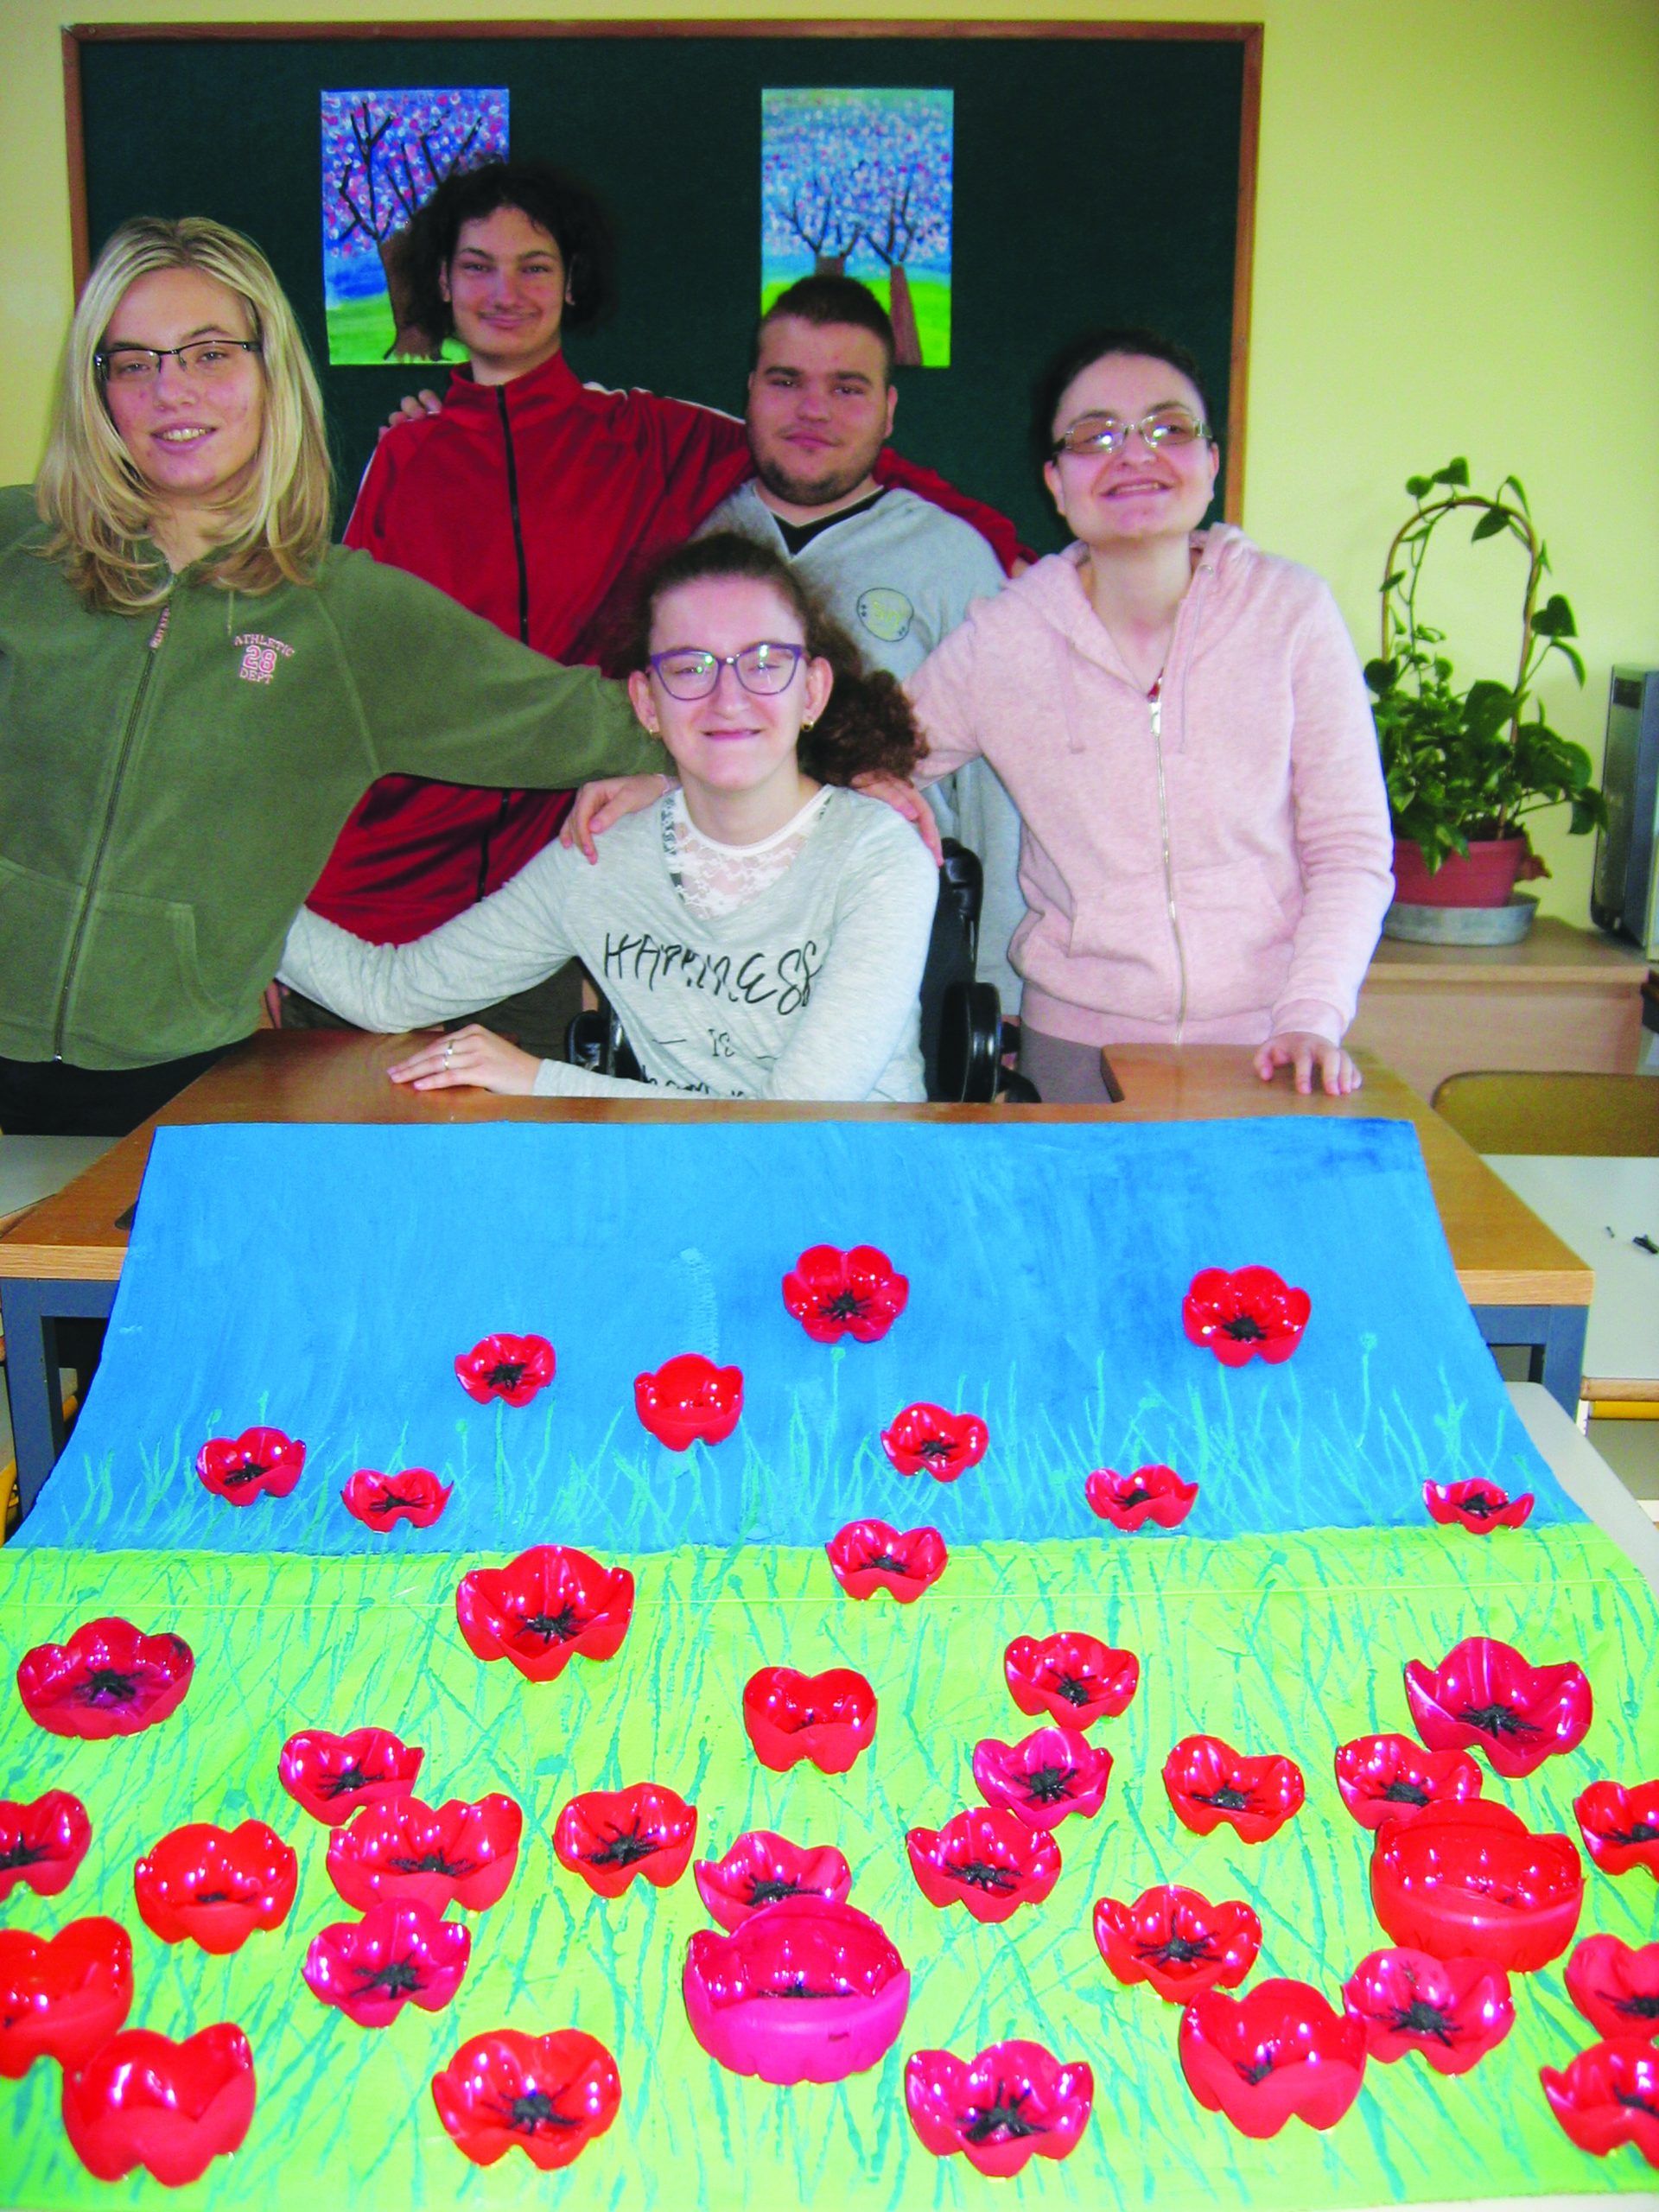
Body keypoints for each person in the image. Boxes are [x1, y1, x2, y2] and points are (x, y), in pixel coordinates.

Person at [296, 162, 1022, 1048]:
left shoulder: (647, 439)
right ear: (441, 283)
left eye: (534, 266)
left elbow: (823, 454)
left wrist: (1011, 544)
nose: (506, 292)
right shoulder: (408, 457)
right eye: (477, 266)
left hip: (550, 872)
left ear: (573, 282)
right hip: (387, 869)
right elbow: (341, 673)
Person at [0, 216, 672, 1138]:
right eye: (132, 362)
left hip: (177, 1091)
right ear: (97, 388)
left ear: (271, 370)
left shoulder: (347, 615)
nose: (170, 390)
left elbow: (613, 719)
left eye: (209, 353)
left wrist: (738, 762)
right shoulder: (18, 552)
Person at [900, 328, 1395, 1102]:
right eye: (1095, 436)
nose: (1134, 455)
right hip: (1077, 1052)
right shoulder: (1006, 639)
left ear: (1211, 463)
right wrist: (874, 779)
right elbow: (861, 757)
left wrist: (1312, 1014)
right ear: (1056, 482)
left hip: (1272, 1042)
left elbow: (1350, 847)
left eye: (1168, 429)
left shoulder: (1290, 611)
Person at [276, 535, 939, 1102]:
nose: (728, 696)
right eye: (691, 667)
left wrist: (541, 1080)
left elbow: (795, 1119)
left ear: (813, 690)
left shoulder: (878, 856)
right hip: (673, 1181)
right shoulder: (602, 856)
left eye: (764, 663)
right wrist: (226, 889)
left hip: (851, 1192)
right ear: (647, 704)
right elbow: (389, 992)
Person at [700, 275, 1025, 1010]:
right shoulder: (698, 542)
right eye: (787, 381)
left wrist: (1000, 998)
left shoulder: (952, 559)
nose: (813, 409)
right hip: (718, 954)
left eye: (847, 388)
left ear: (888, 410)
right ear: (750, 392)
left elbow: (1000, 797)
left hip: (900, 956)